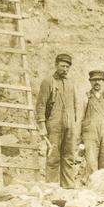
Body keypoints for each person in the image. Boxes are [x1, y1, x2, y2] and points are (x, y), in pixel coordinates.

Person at [35, 53, 80, 188]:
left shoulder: (71, 83)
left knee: (69, 157)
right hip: (54, 125)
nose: (65, 69)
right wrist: (42, 126)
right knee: (53, 157)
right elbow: (41, 104)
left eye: (67, 67)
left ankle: (68, 187)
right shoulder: (48, 82)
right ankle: (52, 187)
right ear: (56, 65)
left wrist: (74, 124)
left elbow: (75, 104)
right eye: (62, 66)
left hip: (70, 125)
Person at [78, 70, 104, 176]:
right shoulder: (86, 97)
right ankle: (92, 188)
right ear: (90, 82)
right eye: (94, 80)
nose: (97, 82)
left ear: (103, 81)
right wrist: (79, 137)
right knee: (91, 163)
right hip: (90, 135)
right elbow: (80, 117)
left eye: (99, 80)